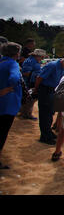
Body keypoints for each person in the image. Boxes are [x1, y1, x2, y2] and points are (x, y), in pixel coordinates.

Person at [33, 55, 64, 145]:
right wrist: (36, 90)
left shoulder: (61, 67)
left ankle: (48, 132)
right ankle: (44, 136)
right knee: (45, 114)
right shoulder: (52, 65)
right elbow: (39, 78)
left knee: (50, 113)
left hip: (52, 90)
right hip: (45, 90)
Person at [0, 42, 22, 170]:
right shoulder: (13, 63)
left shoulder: (1, 62)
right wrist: (9, 88)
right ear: (16, 53)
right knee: (2, 132)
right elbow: (14, 78)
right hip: (8, 103)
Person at [19, 49, 46, 120]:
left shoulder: (35, 61)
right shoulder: (30, 61)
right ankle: (26, 114)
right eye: (41, 57)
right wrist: (35, 75)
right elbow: (25, 73)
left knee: (31, 99)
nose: (42, 58)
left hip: (32, 82)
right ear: (36, 55)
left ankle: (26, 113)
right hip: (29, 83)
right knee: (29, 99)